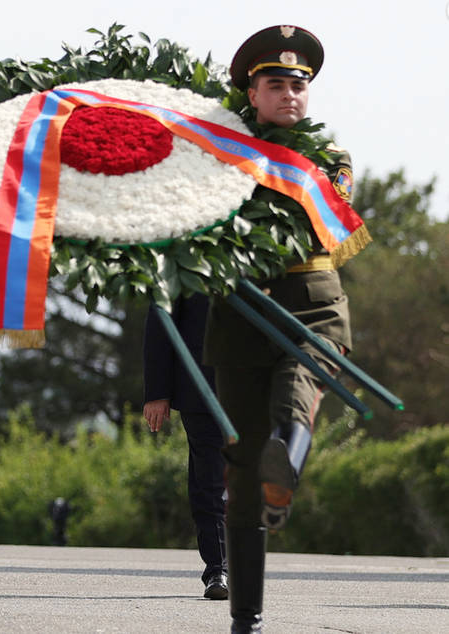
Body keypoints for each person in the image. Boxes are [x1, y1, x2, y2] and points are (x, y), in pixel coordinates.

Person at [203, 26, 355, 633]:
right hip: (239, 316)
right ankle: (247, 617)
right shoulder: (215, 154)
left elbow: (326, 227)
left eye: (298, 84)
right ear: (251, 93)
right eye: (276, 84)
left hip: (312, 306)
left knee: (299, 392)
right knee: (238, 468)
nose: (289, 93)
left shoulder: (328, 161)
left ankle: (283, 469)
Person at [142, 293, 227, 600]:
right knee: (211, 481)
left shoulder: (264, 249)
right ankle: (219, 569)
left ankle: (243, 564)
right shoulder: (180, 251)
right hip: (200, 385)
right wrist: (157, 391)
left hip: (254, 387)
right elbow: (161, 317)